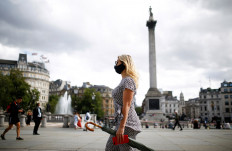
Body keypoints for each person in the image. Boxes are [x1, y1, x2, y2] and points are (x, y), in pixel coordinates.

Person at [105, 55, 142, 150]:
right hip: (122, 123)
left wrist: (122, 127)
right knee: (111, 148)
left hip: (127, 124)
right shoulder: (124, 80)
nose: (115, 65)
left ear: (124, 63)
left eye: (117, 62)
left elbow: (127, 105)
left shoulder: (128, 81)